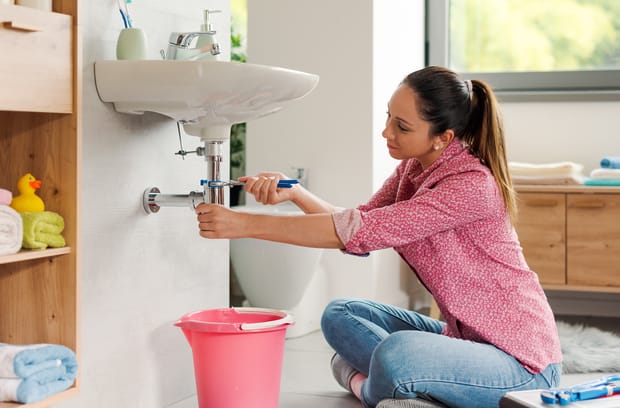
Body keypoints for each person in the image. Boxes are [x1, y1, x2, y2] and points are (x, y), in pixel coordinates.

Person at [195, 66, 562, 408]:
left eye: (402, 126)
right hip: (464, 339)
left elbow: (358, 232)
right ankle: (406, 382)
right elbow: (360, 223)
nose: (387, 131)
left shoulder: (471, 186)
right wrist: (295, 193)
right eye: (389, 116)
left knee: (396, 353)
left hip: (521, 365)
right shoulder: (412, 169)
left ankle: (371, 385)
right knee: (341, 315)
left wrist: (243, 224)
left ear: (443, 138)